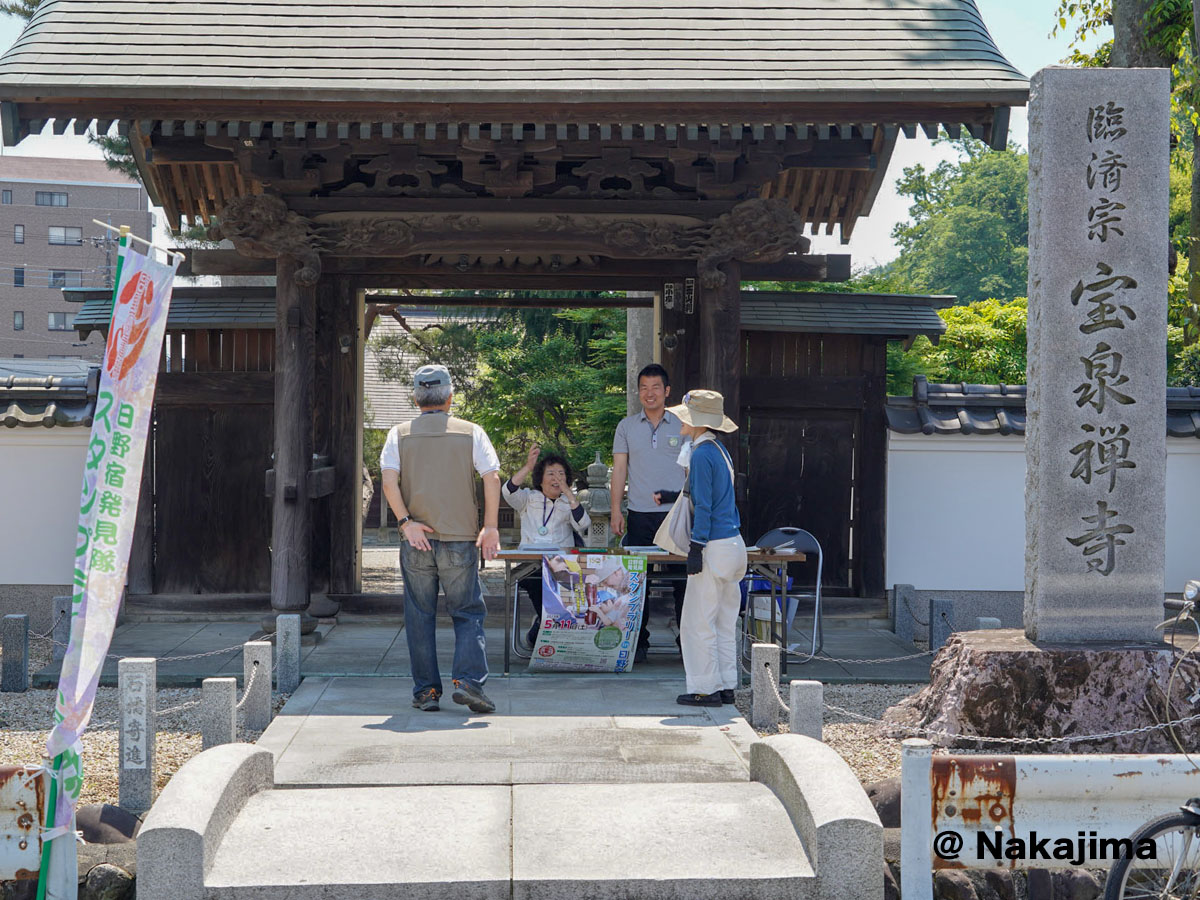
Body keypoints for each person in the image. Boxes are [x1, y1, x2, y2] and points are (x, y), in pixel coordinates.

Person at [380, 364, 501, 715]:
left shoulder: (398, 434)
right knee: (467, 612)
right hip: (460, 538)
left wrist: (406, 523)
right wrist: (490, 527)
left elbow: (389, 482)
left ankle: (427, 692)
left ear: (416, 398)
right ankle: (468, 683)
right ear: (450, 397)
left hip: (416, 538)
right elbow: (491, 479)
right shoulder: (471, 432)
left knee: (419, 616)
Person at [664, 389, 746, 707]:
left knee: (698, 622)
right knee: (725, 622)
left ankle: (705, 688)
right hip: (734, 545)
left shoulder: (700, 454)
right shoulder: (720, 451)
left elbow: (704, 506)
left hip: (712, 545)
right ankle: (726, 686)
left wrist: (696, 547)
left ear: (695, 421)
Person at [610, 363, 687, 662]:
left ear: (667, 391)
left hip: (677, 514)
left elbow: (692, 468)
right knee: (636, 580)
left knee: (684, 579)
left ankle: (685, 640)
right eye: (644, 387)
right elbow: (619, 470)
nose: (649, 393)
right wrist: (617, 509)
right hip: (639, 513)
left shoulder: (682, 424)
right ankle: (637, 641)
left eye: (656, 387)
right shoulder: (626, 426)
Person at [502, 444, 591, 646]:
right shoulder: (528, 499)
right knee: (533, 581)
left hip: (562, 567)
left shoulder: (568, 504)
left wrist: (569, 493)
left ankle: (543, 624)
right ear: (539, 478)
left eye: (561, 474)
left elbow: (584, 524)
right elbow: (508, 491)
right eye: (550, 473)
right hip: (532, 565)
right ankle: (544, 621)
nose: (556, 478)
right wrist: (528, 466)